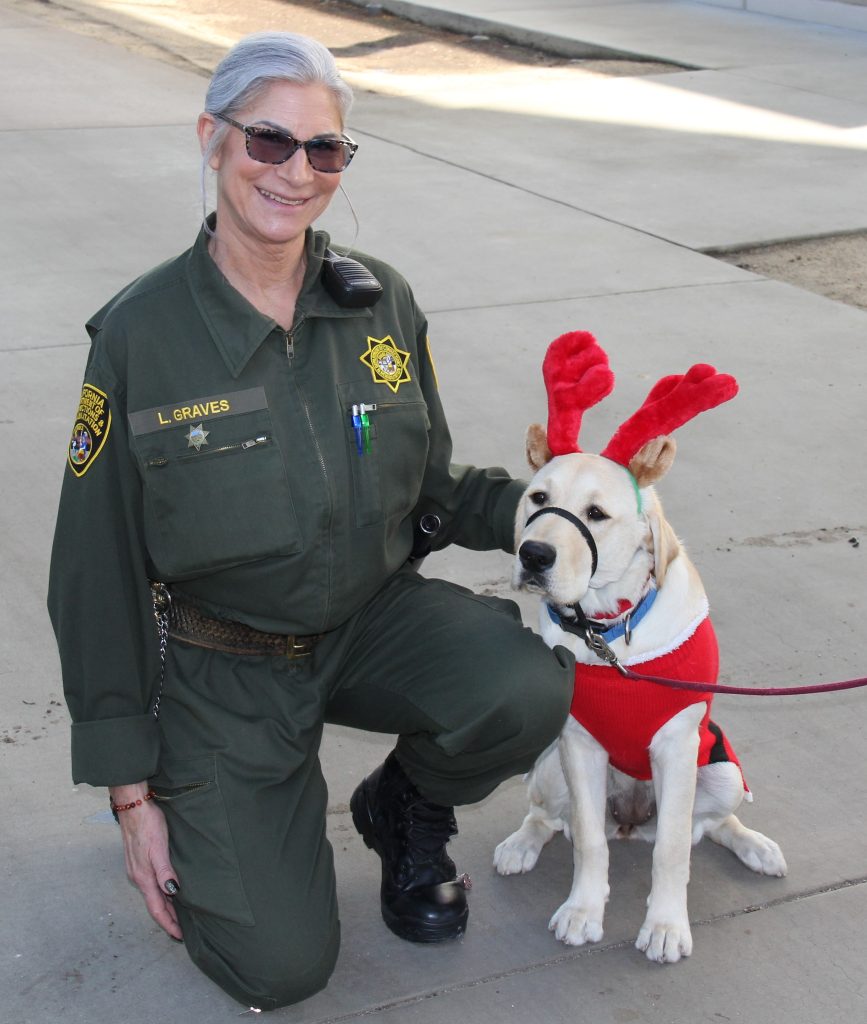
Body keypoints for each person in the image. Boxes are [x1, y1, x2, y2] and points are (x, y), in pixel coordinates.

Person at [47, 31, 573, 1012]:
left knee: (524, 683)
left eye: (324, 150)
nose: (295, 173)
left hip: (369, 621)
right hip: (225, 666)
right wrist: (130, 792)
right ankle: (217, 804)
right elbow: (95, 568)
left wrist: (567, 512)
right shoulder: (141, 335)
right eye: (268, 141)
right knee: (279, 967)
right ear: (212, 138)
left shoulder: (378, 304)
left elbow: (436, 482)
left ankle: (403, 804)